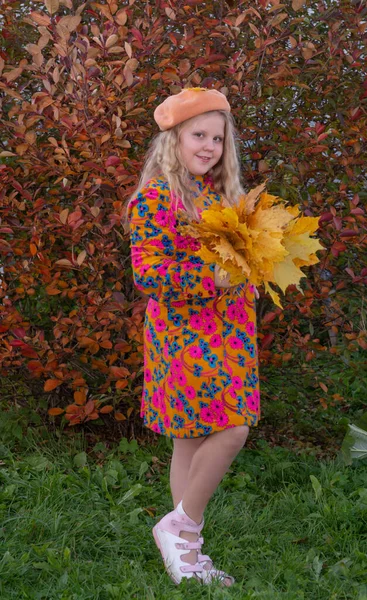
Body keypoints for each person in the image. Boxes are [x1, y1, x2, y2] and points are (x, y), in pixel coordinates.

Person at [127, 87, 261, 586]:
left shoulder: (218, 195)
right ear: (173, 140)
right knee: (234, 426)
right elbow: (150, 272)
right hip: (185, 337)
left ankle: (185, 556)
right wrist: (214, 280)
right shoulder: (158, 196)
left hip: (228, 335)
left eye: (217, 138)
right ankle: (180, 525)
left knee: (192, 437)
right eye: (197, 135)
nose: (208, 146)